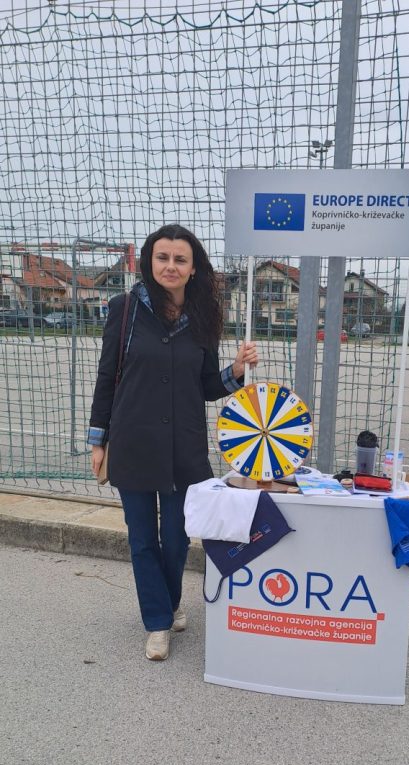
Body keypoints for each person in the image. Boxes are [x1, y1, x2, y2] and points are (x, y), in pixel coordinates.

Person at [88, 224, 258, 662]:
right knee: (143, 539)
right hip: (133, 441)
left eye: (180, 259)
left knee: (178, 538)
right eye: (162, 257)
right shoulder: (125, 309)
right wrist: (98, 439)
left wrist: (236, 371)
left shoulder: (203, 316)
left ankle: (169, 602)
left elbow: (206, 386)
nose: (170, 266)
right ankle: (158, 622)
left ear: (193, 267)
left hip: (184, 446)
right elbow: (107, 376)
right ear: (150, 262)